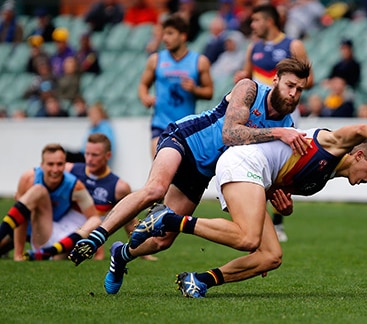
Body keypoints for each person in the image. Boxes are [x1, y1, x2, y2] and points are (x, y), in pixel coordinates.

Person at [68, 58, 312, 295]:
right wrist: (280, 133)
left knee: (163, 241)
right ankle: (97, 237)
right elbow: (230, 134)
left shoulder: (287, 124)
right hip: (185, 139)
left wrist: (281, 211)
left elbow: (259, 176)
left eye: (299, 89)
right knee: (155, 189)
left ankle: (121, 255)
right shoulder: (250, 88)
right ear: (276, 80)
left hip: (202, 172)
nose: (293, 93)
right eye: (290, 85)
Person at [127, 123, 367, 298]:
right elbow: (364, 128)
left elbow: (279, 189)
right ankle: (168, 218)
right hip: (243, 163)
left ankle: (200, 279)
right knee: (249, 239)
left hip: (256, 177)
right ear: (357, 155)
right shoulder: (331, 143)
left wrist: (285, 209)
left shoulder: (321, 178)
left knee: (271, 256)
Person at [233, 3, 315, 242]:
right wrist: (241, 77)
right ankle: (254, 217)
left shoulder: (293, 45)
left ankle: (278, 221)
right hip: (260, 110)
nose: (253, 25)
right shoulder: (253, 47)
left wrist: (282, 86)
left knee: (282, 164)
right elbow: (247, 77)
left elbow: (309, 79)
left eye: (256, 20)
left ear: (269, 21)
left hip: (287, 112)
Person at [0, 144, 101, 261]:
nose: (55, 170)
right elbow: (21, 218)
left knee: (95, 220)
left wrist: (99, 253)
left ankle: (48, 253)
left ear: (65, 164)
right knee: (38, 190)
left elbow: (95, 219)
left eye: (59, 164)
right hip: (27, 229)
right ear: (42, 165)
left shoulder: (75, 186)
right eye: (50, 164)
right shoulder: (28, 178)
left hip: (46, 233)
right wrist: (18, 254)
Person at [66, 133, 156, 261]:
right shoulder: (70, 171)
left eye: (95, 155)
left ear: (108, 155)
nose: (89, 159)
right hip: (63, 230)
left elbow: (130, 222)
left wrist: (144, 253)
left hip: (87, 238)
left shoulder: (119, 187)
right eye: (87, 154)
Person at [138, 14, 214, 158]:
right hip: (160, 124)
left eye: (170, 33)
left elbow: (209, 92)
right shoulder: (155, 60)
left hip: (186, 127)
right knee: (159, 163)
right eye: (164, 33)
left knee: (179, 176)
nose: (165, 38)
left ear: (183, 36)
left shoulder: (199, 61)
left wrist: (194, 90)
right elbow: (143, 84)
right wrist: (145, 97)